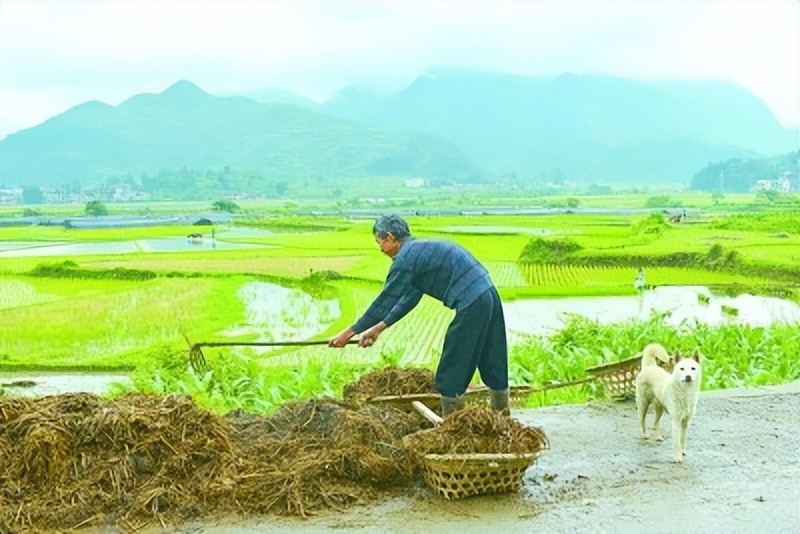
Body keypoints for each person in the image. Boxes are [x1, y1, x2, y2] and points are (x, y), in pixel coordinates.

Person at [329, 214, 509, 417]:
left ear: (390, 237)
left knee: (453, 365)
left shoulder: (405, 259)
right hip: (488, 294)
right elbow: (408, 299)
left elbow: (385, 301)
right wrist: (378, 329)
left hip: (472, 301)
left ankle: (453, 424)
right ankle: (503, 418)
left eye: (379, 242)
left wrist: (349, 333)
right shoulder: (418, 252)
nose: (380, 249)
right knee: (492, 357)